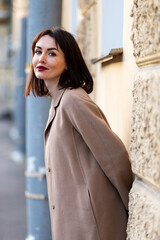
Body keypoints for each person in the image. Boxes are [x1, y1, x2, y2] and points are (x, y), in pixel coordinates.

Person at [25, 27, 133, 240]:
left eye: (52, 53)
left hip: (92, 225)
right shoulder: (59, 100)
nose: (42, 58)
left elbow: (114, 156)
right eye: (38, 51)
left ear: (68, 63)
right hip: (74, 222)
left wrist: (133, 207)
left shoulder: (73, 100)